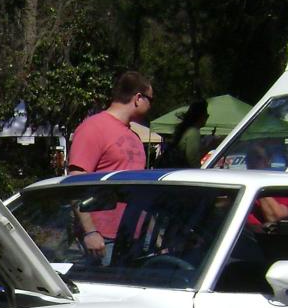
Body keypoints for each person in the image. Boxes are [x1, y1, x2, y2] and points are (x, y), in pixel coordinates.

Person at [67, 71, 153, 260]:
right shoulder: (93, 128)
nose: (151, 106)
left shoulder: (135, 136)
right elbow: (76, 182)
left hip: (133, 236)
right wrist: (90, 232)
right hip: (103, 240)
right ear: (138, 98)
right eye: (150, 100)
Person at [161, 98, 209, 168]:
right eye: (207, 115)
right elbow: (193, 159)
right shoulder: (193, 133)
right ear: (201, 116)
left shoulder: (186, 130)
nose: (207, 118)